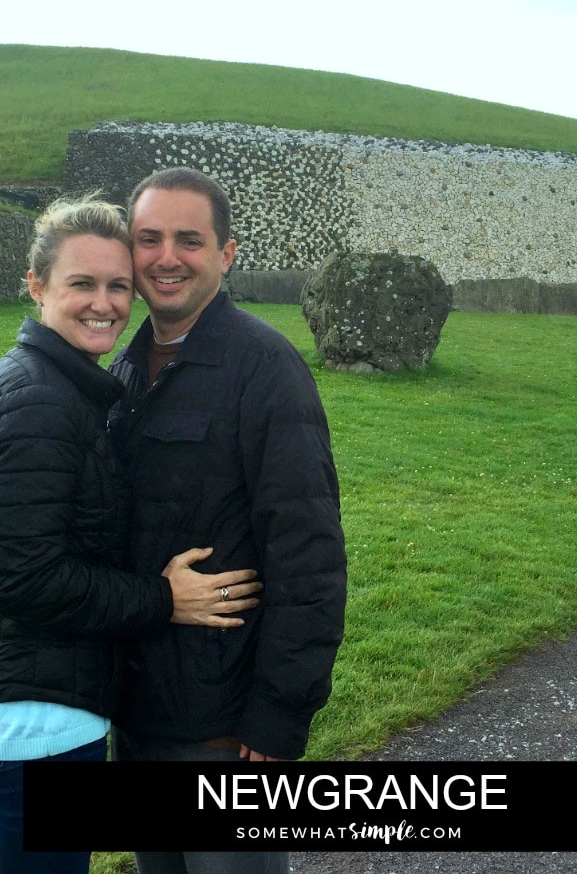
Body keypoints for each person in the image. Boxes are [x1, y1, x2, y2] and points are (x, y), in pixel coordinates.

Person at [0, 196, 262, 874]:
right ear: (36, 284)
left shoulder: (64, 388)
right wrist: (159, 599)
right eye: (81, 284)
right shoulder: (41, 405)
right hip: (33, 731)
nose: (105, 303)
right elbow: (24, 576)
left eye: (119, 285)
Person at [108, 167, 347, 874]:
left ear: (227, 254)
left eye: (190, 239)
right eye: (148, 238)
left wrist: (280, 716)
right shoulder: (123, 368)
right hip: (140, 708)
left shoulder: (264, 369)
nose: (166, 257)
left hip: (223, 728)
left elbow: (309, 555)